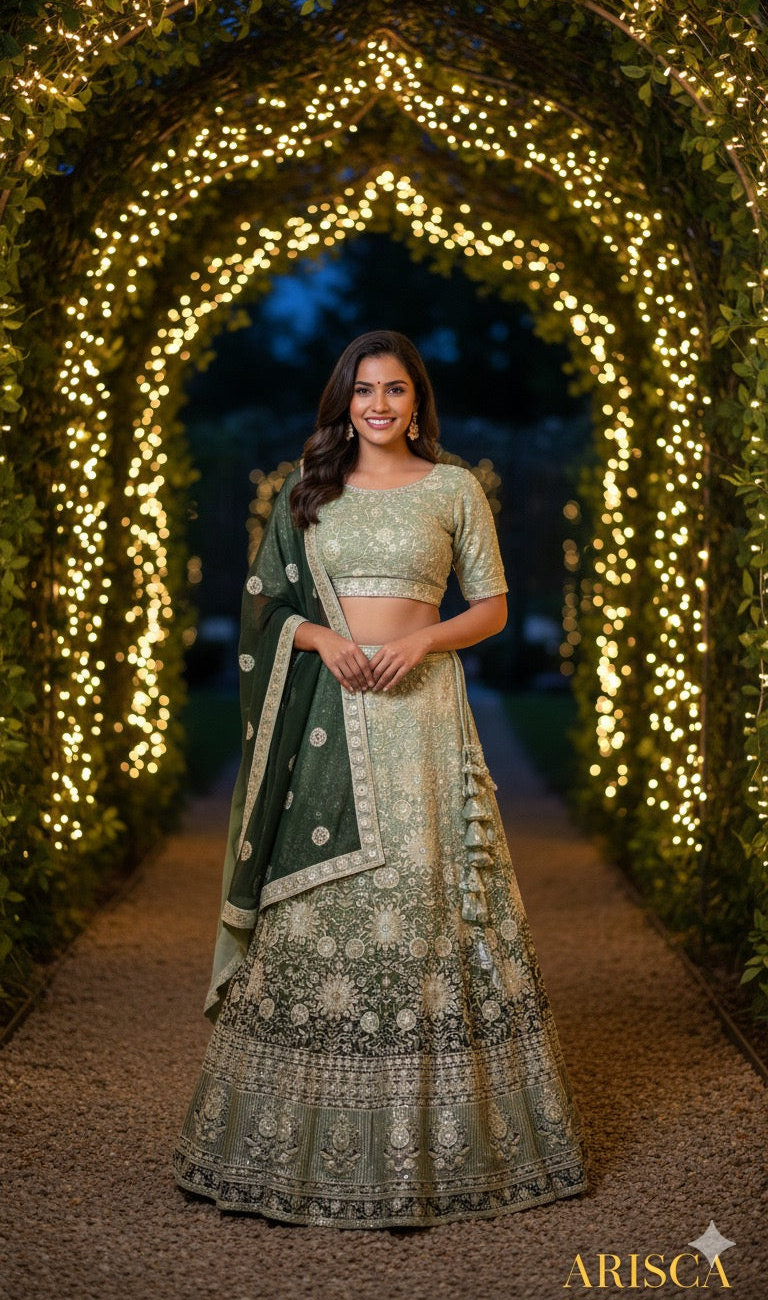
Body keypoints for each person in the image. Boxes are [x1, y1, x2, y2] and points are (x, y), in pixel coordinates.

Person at [173, 329, 589, 1228]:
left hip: (422, 719)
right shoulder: (308, 492)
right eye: (363, 389)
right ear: (343, 399)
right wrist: (320, 639)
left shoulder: (453, 489)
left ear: (416, 400)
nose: (378, 405)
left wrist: (419, 641)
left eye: (395, 390)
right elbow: (266, 606)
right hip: (329, 715)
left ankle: (428, 1154)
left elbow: (492, 607)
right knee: (319, 911)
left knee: (427, 896)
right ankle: (288, 1152)